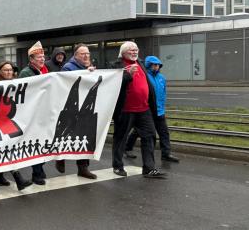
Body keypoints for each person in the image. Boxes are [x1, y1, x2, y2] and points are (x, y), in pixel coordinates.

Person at [108, 41, 165, 178]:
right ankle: (117, 166)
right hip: (125, 110)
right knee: (120, 138)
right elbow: (111, 85)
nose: (134, 52)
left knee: (150, 136)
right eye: (131, 50)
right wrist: (127, 75)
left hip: (144, 109)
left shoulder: (140, 63)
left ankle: (149, 168)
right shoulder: (115, 65)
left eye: (136, 50)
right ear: (123, 52)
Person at [124, 56, 180, 163]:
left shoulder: (161, 78)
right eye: (154, 65)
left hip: (159, 111)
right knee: (137, 131)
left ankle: (166, 154)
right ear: (148, 65)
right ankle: (127, 148)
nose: (157, 67)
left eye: (158, 65)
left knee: (164, 132)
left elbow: (163, 94)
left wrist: (162, 107)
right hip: (148, 110)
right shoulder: (145, 76)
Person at [57, 43, 98, 179]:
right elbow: (65, 84)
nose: (86, 56)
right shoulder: (68, 68)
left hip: (83, 108)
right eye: (83, 54)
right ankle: (60, 158)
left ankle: (83, 168)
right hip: (71, 108)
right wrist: (86, 74)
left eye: (88, 53)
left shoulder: (88, 67)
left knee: (83, 136)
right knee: (66, 134)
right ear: (75, 56)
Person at [0, 61, 33, 190]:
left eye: (10, 70)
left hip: (11, 121)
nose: (9, 72)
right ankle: (18, 179)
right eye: (6, 70)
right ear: (0, 72)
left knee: (6, 149)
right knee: (7, 149)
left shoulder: (16, 84)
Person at [18, 41, 49, 185]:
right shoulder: (26, 73)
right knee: (35, 143)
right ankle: (37, 173)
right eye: (39, 57)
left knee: (42, 142)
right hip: (32, 114)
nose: (42, 59)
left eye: (43, 56)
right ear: (31, 59)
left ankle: (40, 170)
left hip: (43, 112)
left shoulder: (44, 70)